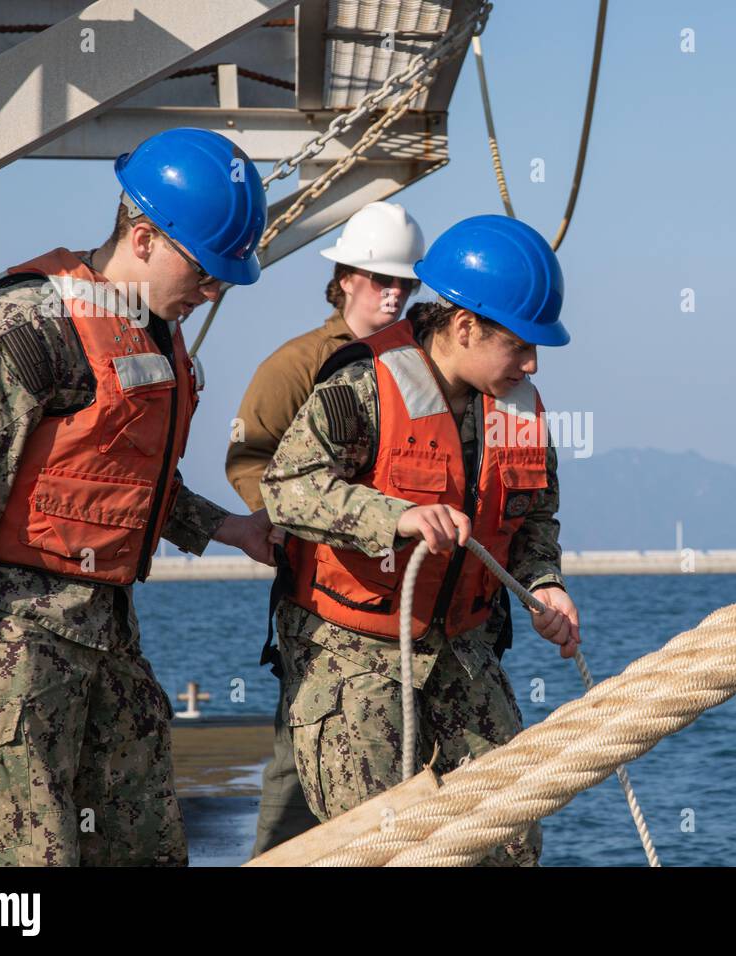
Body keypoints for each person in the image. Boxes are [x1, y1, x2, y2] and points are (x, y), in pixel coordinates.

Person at [0, 127, 278, 866]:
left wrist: (232, 529)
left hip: (108, 634)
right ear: (141, 238)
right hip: (13, 646)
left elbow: (120, 486)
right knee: (29, 862)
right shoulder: (31, 325)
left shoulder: (154, 335)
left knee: (143, 849)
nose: (213, 290)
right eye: (204, 271)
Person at [260, 214, 581, 866]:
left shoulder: (520, 412)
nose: (533, 362)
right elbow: (286, 489)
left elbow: (534, 521)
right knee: (379, 849)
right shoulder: (361, 387)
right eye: (520, 345)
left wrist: (545, 584)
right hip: (352, 659)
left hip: (463, 652)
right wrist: (393, 517)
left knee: (510, 838)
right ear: (465, 327)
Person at [225, 200, 428, 857]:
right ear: (345, 278)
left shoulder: (424, 366)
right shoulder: (298, 365)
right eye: (381, 280)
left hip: (412, 600)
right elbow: (251, 457)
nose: (395, 294)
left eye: (406, 283)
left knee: (413, 758)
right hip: (321, 597)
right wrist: (285, 522)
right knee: (301, 749)